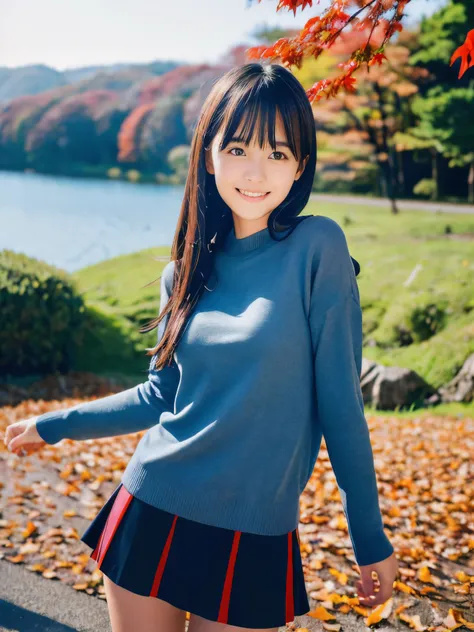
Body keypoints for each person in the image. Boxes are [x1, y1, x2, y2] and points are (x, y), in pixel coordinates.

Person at [4, 62, 398, 632]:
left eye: (278, 153)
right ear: (208, 153)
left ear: (300, 166)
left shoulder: (319, 249)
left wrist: (368, 535)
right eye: (238, 149)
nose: (256, 171)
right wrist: (56, 423)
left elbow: (342, 406)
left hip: (257, 533)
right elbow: (158, 395)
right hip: (153, 508)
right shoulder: (183, 274)